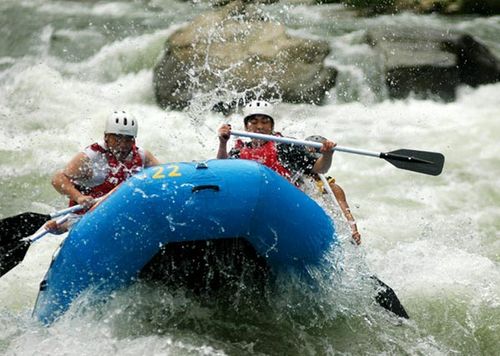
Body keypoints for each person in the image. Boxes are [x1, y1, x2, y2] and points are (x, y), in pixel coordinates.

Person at [46, 110, 160, 233]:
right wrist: (79, 197)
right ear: (106, 136)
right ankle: (63, 228)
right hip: (86, 219)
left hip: (124, 216)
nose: (122, 144)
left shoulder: (142, 156)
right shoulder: (91, 157)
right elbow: (58, 179)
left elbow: (163, 176)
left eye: (128, 139)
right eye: (117, 138)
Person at [217, 100, 336, 183]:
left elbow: (319, 168)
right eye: (254, 122)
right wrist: (223, 143)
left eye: (265, 122)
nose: (259, 127)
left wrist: (327, 154)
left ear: (272, 126)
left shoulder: (285, 146)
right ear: (246, 127)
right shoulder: (239, 151)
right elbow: (222, 170)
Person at [305, 135, 361, 245]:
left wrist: (354, 231)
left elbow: (345, 212)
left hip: (320, 230)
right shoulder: (295, 178)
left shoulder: (332, 188)